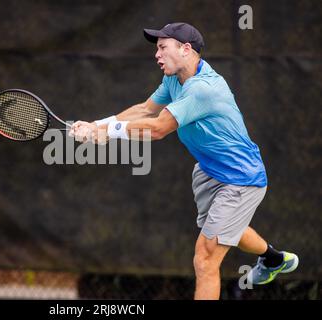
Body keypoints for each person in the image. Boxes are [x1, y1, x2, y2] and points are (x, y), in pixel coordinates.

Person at [69, 22, 299, 300]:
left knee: (205, 259)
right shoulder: (173, 79)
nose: (157, 54)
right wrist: (97, 124)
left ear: (186, 49)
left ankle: (270, 260)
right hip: (208, 171)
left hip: (241, 179)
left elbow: (158, 128)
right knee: (228, 229)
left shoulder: (202, 89)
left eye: (163, 47)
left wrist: (106, 133)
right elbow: (145, 109)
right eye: (157, 49)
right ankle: (273, 259)